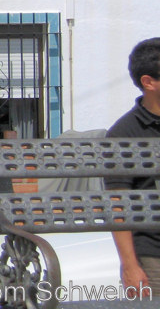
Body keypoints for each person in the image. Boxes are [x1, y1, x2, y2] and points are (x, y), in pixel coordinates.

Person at [107, 38, 160, 295]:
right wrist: (129, 265)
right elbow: (118, 205)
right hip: (152, 257)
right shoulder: (124, 133)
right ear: (148, 83)